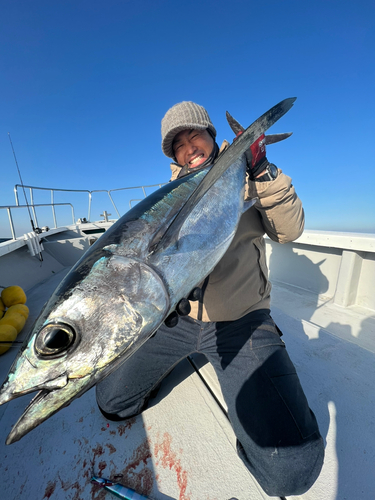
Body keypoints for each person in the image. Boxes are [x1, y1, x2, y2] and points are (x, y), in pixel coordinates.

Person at [96, 101, 324, 497]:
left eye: (194, 135)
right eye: (178, 145)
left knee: (290, 475)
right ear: (174, 156)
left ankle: (249, 409)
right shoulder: (169, 198)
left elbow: (291, 231)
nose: (189, 148)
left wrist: (262, 170)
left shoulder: (252, 180)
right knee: (112, 402)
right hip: (176, 320)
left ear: (212, 135)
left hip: (242, 322)